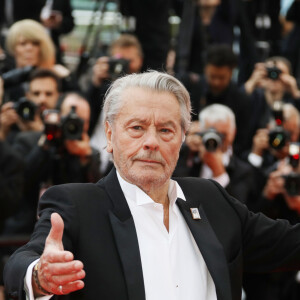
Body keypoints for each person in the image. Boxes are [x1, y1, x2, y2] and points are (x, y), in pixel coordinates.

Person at [4, 71, 300, 300]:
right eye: (136, 128)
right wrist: (40, 276)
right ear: (109, 134)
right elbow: (22, 263)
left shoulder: (210, 199)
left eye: (165, 130)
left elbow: (288, 245)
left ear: (183, 138)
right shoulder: (77, 206)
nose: (151, 142)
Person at [174, 104, 255, 204]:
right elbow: (176, 188)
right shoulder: (188, 157)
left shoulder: (243, 171)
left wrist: (219, 171)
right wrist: (186, 149)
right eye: (211, 133)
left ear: (233, 132)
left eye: (223, 135)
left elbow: (238, 210)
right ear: (201, 132)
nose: (217, 140)